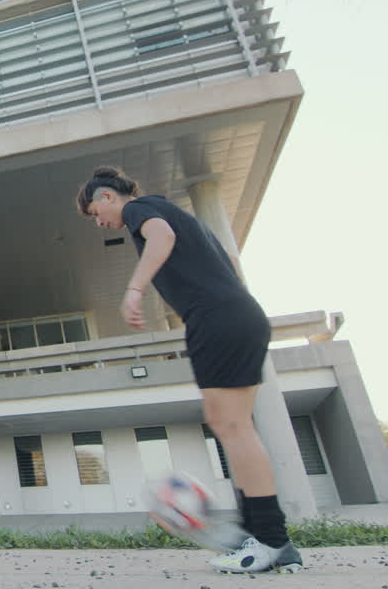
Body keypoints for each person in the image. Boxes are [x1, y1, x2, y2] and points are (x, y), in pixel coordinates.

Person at [75, 166, 302, 574]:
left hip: (217, 319)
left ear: (108, 196)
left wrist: (135, 289)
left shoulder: (141, 209)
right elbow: (227, 259)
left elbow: (162, 237)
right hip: (238, 314)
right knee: (232, 424)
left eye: (95, 212)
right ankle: (265, 537)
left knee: (232, 426)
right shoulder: (171, 210)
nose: (99, 222)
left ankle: (271, 540)